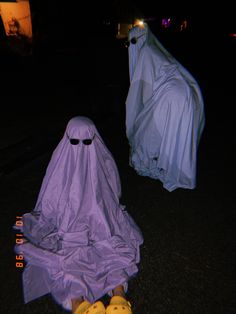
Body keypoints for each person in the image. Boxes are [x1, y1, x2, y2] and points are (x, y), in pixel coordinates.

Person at [14, 116, 143, 314]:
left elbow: (50, 192)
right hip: (89, 224)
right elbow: (113, 186)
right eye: (75, 142)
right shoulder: (97, 156)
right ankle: (110, 299)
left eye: (86, 142)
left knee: (85, 256)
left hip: (93, 222)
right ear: (68, 139)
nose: (81, 147)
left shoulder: (67, 158)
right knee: (107, 252)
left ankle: (107, 300)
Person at [125, 23, 205, 192]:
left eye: (132, 42)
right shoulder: (155, 50)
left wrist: (138, 112)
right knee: (176, 135)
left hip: (171, 96)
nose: (130, 46)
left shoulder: (146, 52)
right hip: (183, 95)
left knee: (148, 134)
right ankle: (175, 168)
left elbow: (143, 90)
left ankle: (150, 162)